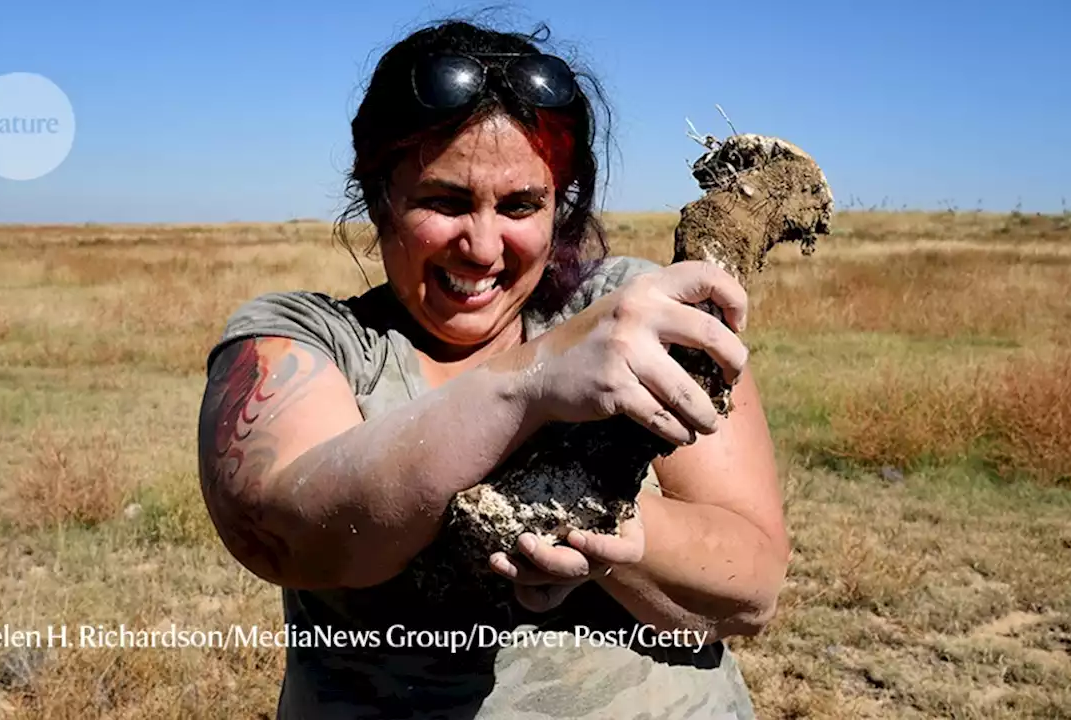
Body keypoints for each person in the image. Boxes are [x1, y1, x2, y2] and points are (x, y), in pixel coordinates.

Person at [196, 18, 789, 719]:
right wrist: (532, 381)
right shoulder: (308, 339)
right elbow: (283, 529)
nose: (482, 246)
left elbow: (753, 588)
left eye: (520, 206)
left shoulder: (628, 312)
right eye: (444, 202)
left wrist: (622, 541)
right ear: (379, 195)